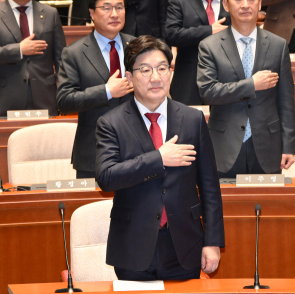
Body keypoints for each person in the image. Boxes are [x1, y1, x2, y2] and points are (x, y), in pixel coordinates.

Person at [95, 36, 224, 280]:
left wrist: (213, 241)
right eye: (145, 69)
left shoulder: (193, 119)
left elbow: (209, 186)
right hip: (133, 246)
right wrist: (158, 158)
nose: (156, 77)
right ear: (130, 78)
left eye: (162, 68)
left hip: (184, 244)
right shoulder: (111, 123)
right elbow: (106, 177)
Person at [197, 0, 295, 178]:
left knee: (268, 206)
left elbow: (286, 101)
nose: (245, 5)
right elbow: (207, 91)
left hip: (268, 147)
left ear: (260, 2)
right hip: (224, 146)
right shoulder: (209, 46)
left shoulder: (278, 45)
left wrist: (289, 145)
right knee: (226, 209)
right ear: (225, 4)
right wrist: (251, 85)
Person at [57, 0, 135, 179]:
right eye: (106, 8)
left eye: (119, 7)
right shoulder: (74, 53)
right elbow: (64, 101)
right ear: (92, 13)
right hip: (93, 152)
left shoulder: (138, 46)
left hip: (137, 149)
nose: (115, 14)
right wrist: (107, 91)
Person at [165, 0, 230, 105]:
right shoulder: (179, 1)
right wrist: (209, 31)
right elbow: (171, 35)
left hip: (229, 80)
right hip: (188, 81)